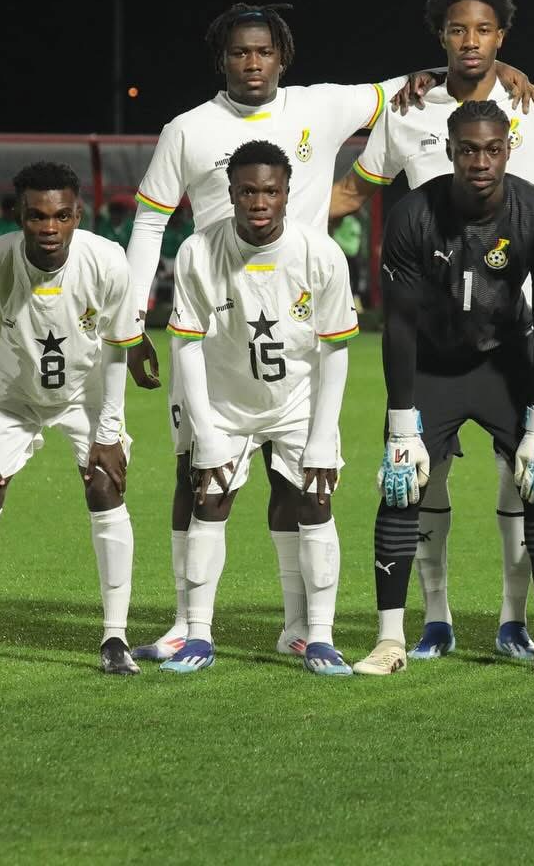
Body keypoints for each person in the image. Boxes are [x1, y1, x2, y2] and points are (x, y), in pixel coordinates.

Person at [122, 2, 527, 662]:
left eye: (264, 52)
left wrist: (499, 71)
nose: (252, 63)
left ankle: (300, 625)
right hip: (216, 323)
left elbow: (410, 86)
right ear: (221, 60)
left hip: (299, 319)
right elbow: (149, 222)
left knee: (298, 483)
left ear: (283, 56)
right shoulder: (187, 130)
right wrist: (131, 320)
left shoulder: (322, 106)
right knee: (195, 474)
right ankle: (184, 621)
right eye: (239, 52)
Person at [338, 0, 534, 662]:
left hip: (509, 352)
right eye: (456, 30)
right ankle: (410, 631)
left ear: (509, 148)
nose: (480, 160)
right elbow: (396, 319)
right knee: (406, 481)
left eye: (483, 30)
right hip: (435, 352)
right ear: (448, 151)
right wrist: (400, 426)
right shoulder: (410, 132)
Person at [161, 140, 358, 676]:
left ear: (288, 193)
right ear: (230, 193)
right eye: (247, 191)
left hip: (297, 402)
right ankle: (198, 635)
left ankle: (316, 636)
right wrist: (207, 435)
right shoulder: (198, 252)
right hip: (226, 403)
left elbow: (335, 350)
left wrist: (323, 436)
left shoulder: (321, 255)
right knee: (209, 502)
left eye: (271, 191)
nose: (259, 201)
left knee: (314, 502)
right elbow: (186, 345)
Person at [0, 161, 142, 676]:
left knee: (105, 486)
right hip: (13, 395)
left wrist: (109, 433)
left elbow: (118, 351)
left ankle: (115, 638)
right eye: (37, 216)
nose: (50, 227)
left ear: (78, 215)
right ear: (19, 216)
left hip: (84, 394)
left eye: (61, 216)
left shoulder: (108, 261)